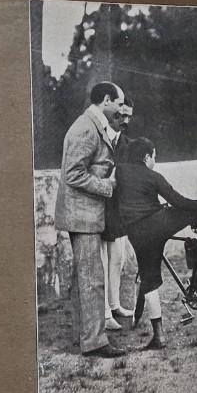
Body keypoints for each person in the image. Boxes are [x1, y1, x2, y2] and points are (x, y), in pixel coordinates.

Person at [113, 137, 197, 350]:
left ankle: (159, 336)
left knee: (149, 279)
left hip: (137, 234)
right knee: (191, 210)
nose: (155, 161)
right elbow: (178, 201)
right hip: (159, 223)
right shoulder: (153, 176)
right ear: (146, 157)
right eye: (154, 157)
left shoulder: (120, 172)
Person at [55, 82, 127, 358]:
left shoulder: (92, 125)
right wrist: (107, 186)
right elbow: (73, 174)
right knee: (92, 278)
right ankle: (95, 342)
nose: (121, 109)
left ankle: (84, 336)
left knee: (84, 277)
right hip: (82, 215)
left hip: (84, 214)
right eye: (119, 103)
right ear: (106, 100)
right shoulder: (86, 128)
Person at [102, 98, 137, 331]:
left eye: (128, 116)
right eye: (121, 115)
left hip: (119, 208)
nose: (125, 120)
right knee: (103, 262)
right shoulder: (100, 139)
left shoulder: (128, 144)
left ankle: (114, 305)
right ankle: (105, 313)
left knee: (118, 259)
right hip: (100, 206)